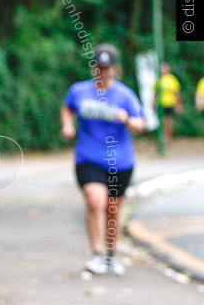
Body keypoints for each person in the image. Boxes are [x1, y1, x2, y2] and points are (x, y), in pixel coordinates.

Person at [61, 44, 145, 276]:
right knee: (95, 201)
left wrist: (127, 119)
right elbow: (67, 109)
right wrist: (67, 125)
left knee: (113, 210)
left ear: (115, 70)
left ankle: (111, 255)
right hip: (88, 157)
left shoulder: (125, 95)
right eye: (98, 67)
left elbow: (141, 125)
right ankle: (96, 255)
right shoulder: (79, 91)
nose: (102, 72)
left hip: (120, 162)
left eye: (107, 68)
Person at [154, 62, 182, 145]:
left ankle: (168, 139)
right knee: (162, 122)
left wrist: (178, 104)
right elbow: (156, 92)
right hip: (161, 104)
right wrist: (154, 103)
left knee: (168, 122)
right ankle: (163, 138)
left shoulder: (172, 79)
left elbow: (176, 93)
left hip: (169, 103)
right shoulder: (159, 79)